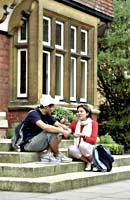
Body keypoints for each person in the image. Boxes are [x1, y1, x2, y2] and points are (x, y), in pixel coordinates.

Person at [20, 95, 72, 163]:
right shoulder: (33, 114)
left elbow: (58, 124)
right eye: (52, 106)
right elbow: (45, 127)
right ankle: (57, 154)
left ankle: (48, 154)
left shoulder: (46, 115)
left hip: (38, 142)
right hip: (28, 144)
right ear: (46, 106)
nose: (53, 108)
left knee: (57, 130)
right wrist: (62, 131)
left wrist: (68, 129)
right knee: (52, 130)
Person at [67, 104, 98, 170]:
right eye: (78, 112)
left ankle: (94, 162)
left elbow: (93, 141)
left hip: (88, 149)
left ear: (87, 113)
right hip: (78, 150)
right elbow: (66, 133)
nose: (79, 113)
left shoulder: (93, 123)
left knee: (82, 145)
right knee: (71, 148)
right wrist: (62, 125)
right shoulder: (74, 123)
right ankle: (90, 162)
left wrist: (83, 136)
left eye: (81, 111)